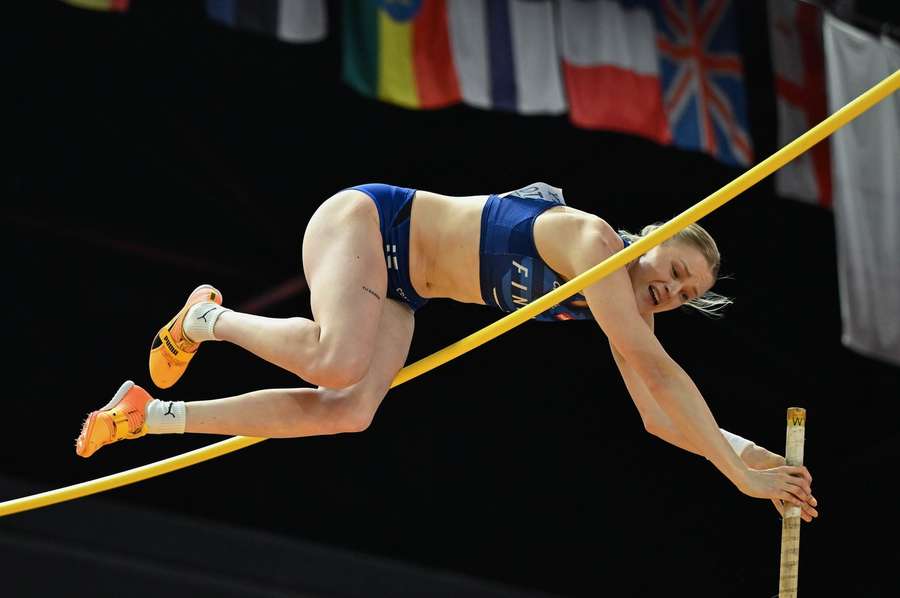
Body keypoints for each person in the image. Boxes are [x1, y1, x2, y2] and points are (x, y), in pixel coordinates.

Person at [76, 182, 817, 522]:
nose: (674, 292)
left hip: (403, 290)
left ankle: (151, 414)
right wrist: (738, 479)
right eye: (677, 273)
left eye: (688, 296)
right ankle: (205, 319)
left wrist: (748, 454)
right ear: (654, 238)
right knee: (337, 360)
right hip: (369, 222)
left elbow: (659, 418)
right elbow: (654, 373)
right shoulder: (590, 242)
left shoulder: (616, 302)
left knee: (351, 411)